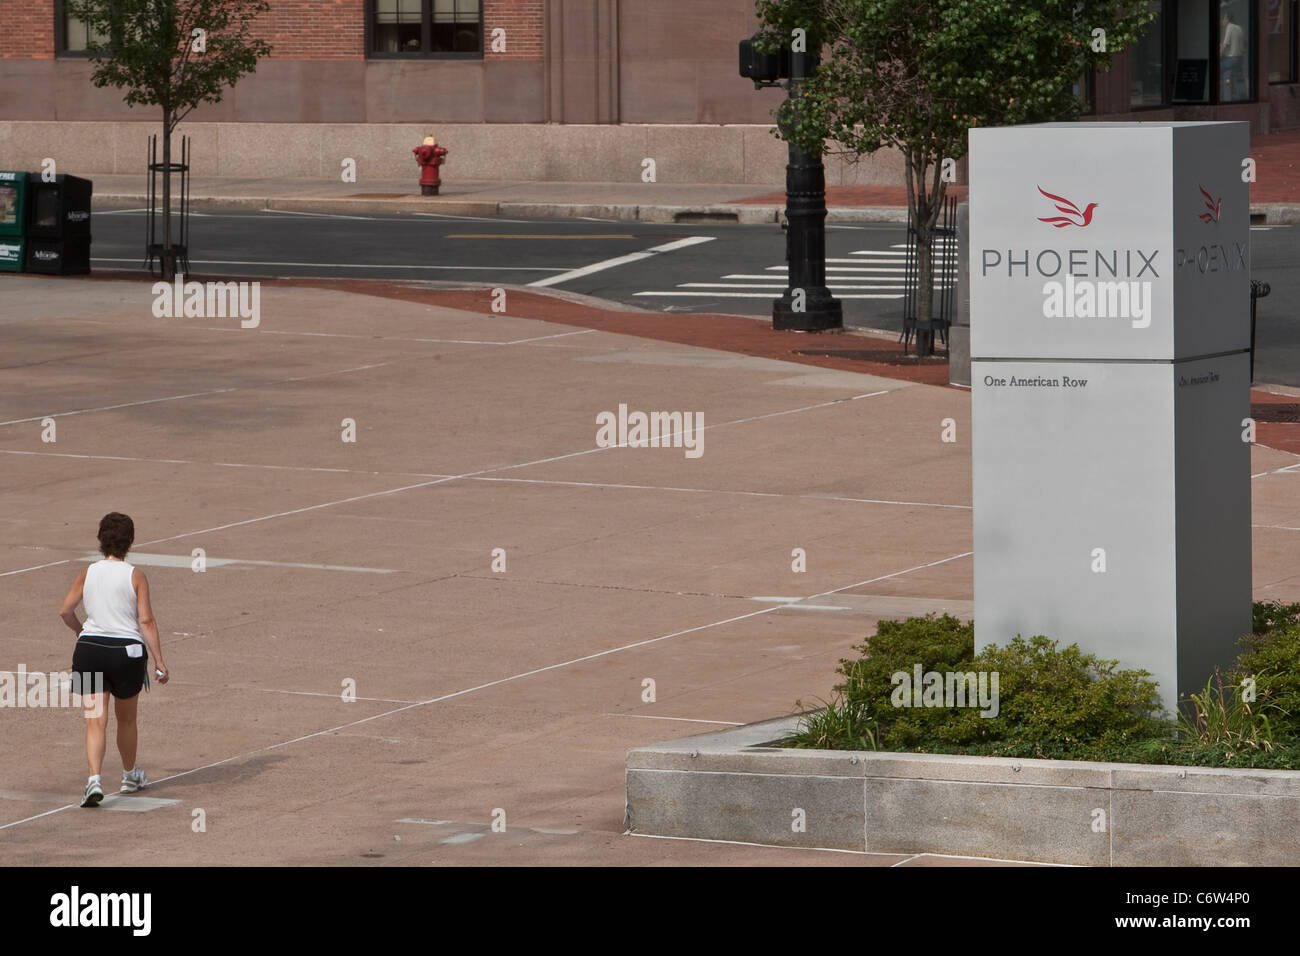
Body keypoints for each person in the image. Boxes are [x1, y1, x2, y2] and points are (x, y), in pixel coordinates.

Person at [59, 513, 169, 807]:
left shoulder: (88, 572)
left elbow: (65, 611)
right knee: (126, 718)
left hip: (88, 652)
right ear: (130, 542)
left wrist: (82, 632)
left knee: (94, 721)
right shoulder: (135, 575)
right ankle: (130, 776)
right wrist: (159, 660)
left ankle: (94, 780)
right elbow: (145, 620)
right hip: (126, 654)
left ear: (101, 539)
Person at [1220, 8, 1247, 100]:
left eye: (1222, 19)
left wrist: (1219, 55)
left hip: (1231, 60)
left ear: (1227, 19)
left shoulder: (1229, 27)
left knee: (1217, 69)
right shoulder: (1239, 28)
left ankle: (1226, 98)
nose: (1221, 21)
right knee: (1237, 78)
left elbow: (1225, 44)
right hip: (1240, 59)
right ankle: (1241, 95)